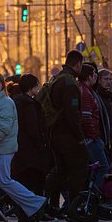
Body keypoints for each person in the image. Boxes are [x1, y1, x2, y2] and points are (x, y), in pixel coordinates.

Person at [0, 72, 46, 220]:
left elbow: (4, 128)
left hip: (1, 148)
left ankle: (35, 201)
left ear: (2, 86)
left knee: (4, 180)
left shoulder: (6, 102)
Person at [45, 50, 89, 213]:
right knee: (78, 169)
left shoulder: (58, 78)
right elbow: (72, 113)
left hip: (55, 133)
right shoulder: (70, 83)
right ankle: (74, 208)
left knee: (61, 169)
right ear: (78, 64)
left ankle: (45, 200)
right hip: (67, 135)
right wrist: (79, 138)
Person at [12, 74, 52, 196]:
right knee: (35, 180)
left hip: (19, 147)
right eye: (37, 84)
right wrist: (42, 144)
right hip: (32, 150)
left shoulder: (16, 102)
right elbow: (33, 128)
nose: (39, 87)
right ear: (31, 87)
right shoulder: (30, 105)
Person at [78, 64, 109, 188]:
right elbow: (86, 118)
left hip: (90, 138)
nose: (95, 76)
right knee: (103, 167)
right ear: (88, 76)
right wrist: (94, 136)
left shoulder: (86, 90)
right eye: (94, 74)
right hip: (91, 139)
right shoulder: (85, 92)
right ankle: (94, 198)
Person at [95, 69, 112, 160]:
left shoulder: (109, 96)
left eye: (110, 79)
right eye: (105, 79)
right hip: (101, 137)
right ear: (99, 80)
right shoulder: (97, 95)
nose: (108, 82)